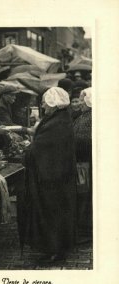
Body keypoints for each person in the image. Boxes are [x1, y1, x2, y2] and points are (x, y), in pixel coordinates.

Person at [24, 87, 77, 261]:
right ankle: (56, 248)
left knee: (52, 213)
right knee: (57, 212)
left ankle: (55, 249)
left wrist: (29, 150)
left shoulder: (56, 123)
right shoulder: (61, 119)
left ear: (53, 104)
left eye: (45, 103)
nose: (43, 106)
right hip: (58, 176)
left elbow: (41, 148)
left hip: (53, 178)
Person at [73, 87, 92, 240]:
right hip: (82, 163)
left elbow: (82, 141)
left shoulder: (89, 118)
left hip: (84, 164)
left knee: (84, 196)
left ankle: (85, 230)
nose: (79, 103)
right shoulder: (84, 116)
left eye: (81, 99)